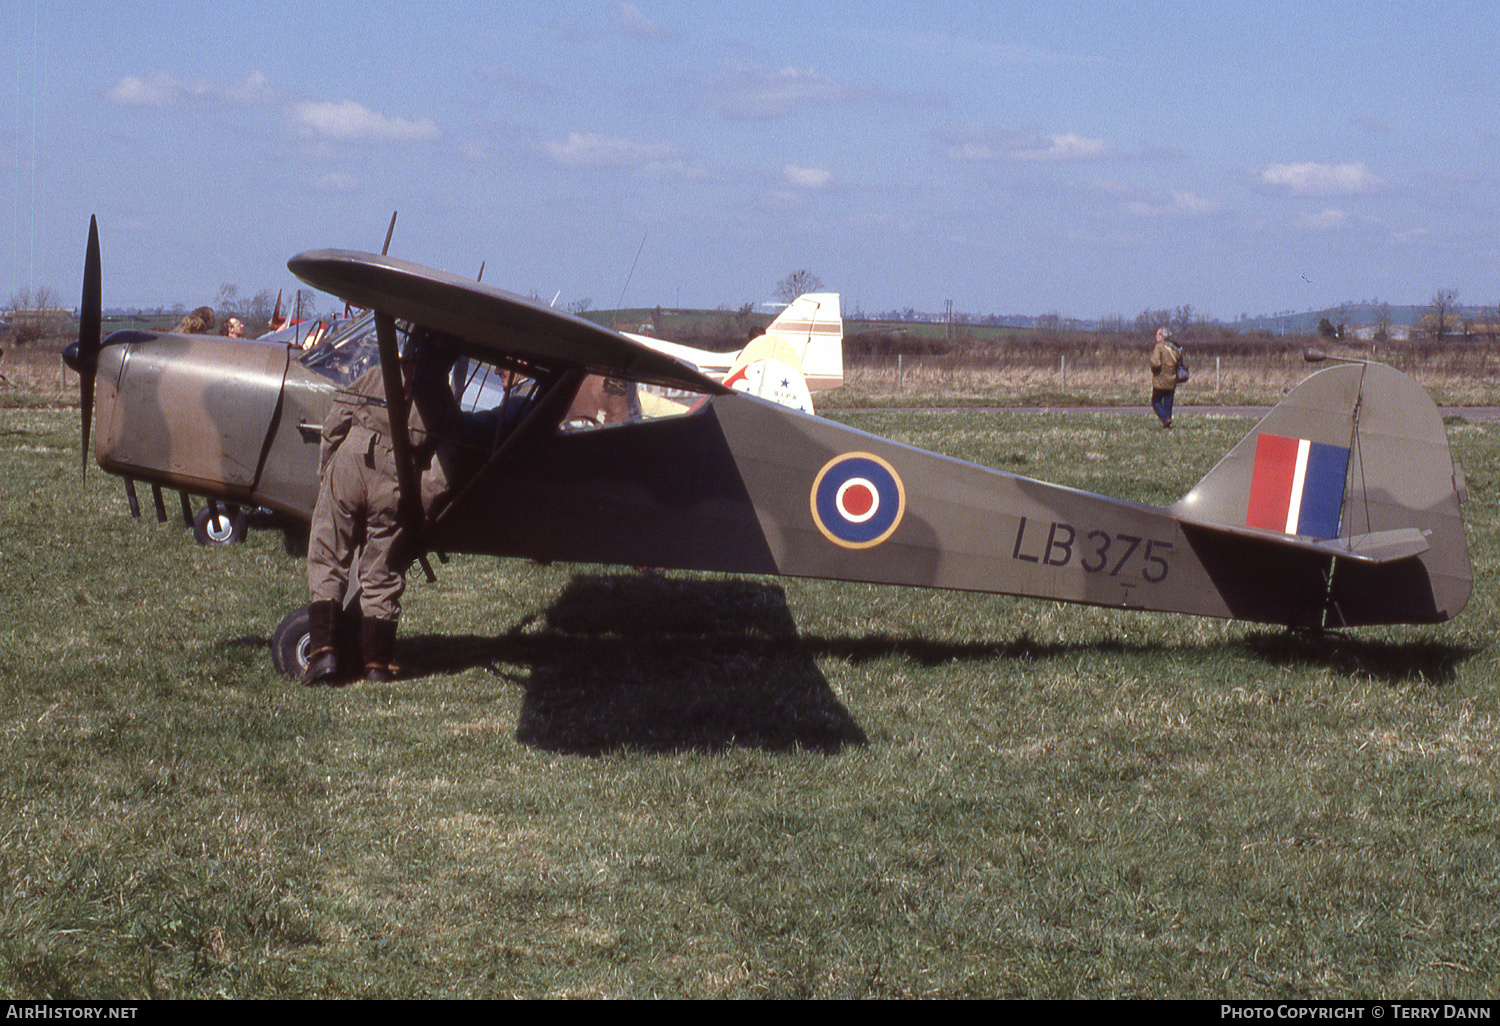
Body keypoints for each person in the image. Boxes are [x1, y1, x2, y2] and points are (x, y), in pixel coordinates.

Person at [303, 330, 464, 684]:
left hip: (350, 461)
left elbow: (334, 425)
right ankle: (376, 664)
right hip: (398, 478)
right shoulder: (443, 401)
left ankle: (322, 654)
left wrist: (327, 471)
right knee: (382, 570)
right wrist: (416, 504)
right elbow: (445, 471)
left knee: (328, 554)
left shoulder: (374, 377)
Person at [1149, 326, 1183, 428]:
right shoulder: (1175, 348)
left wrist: (1154, 370)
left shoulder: (1159, 347)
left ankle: (1165, 418)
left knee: (1155, 401)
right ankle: (1167, 423)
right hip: (1172, 379)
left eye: (1157, 335)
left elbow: (1155, 362)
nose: (1156, 337)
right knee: (1168, 402)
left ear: (1162, 336)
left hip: (1160, 379)